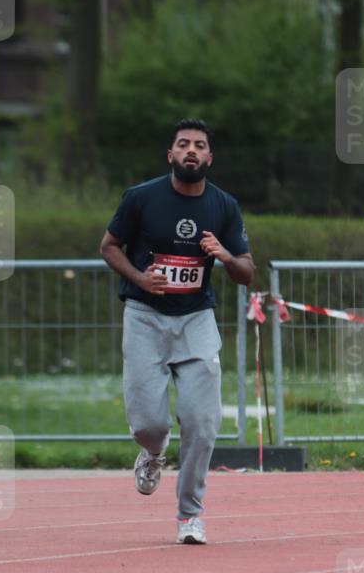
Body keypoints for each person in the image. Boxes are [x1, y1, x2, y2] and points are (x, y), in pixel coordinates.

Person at [100, 118, 255, 544]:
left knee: (203, 423)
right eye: (183, 144)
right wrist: (139, 278)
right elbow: (108, 246)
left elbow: (247, 272)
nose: (191, 150)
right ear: (170, 154)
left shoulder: (224, 206)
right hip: (145, 316)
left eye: (199, 145)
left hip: (196, 320)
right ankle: (152, 451)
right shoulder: (141, 198)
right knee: (149, 422)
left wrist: (224, 255)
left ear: (209, 157)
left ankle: (190, 515)